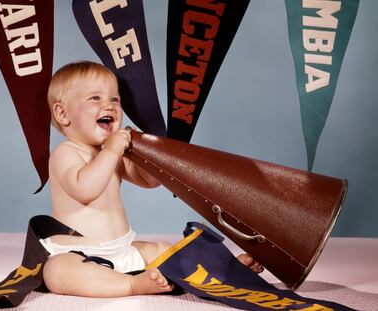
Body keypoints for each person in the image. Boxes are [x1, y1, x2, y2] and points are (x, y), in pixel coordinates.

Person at [41, 61, 263, 298]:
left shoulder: (110, 151)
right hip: (79, 254)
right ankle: (131, 285)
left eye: (115, 99)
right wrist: (112, 151)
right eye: (95, 98)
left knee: (162, 249)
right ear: (62, 113)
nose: (109, 105)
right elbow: (85, 189)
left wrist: (145, 151)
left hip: (123, 249)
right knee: (56, 272)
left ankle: (222, 272)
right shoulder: (65, 153)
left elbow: (148, 181)